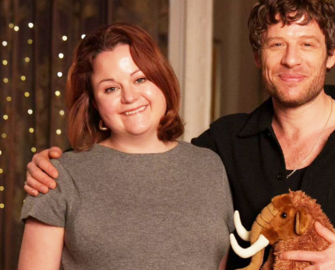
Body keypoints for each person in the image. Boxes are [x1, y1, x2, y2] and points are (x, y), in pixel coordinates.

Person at [25, 0, 335, 269]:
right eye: (276, 44)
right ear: (258, 57)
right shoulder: (221, 147)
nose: (291, 60)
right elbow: (147, 168)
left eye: (307, 44)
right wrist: (54, 166)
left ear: (332, 54)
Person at [18, 23, 233, 270]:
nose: (129, 97)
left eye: (140, 79)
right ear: (94, 105)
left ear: (161, 81)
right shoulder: (56, 176)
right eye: (110, 88)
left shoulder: (209, 167)